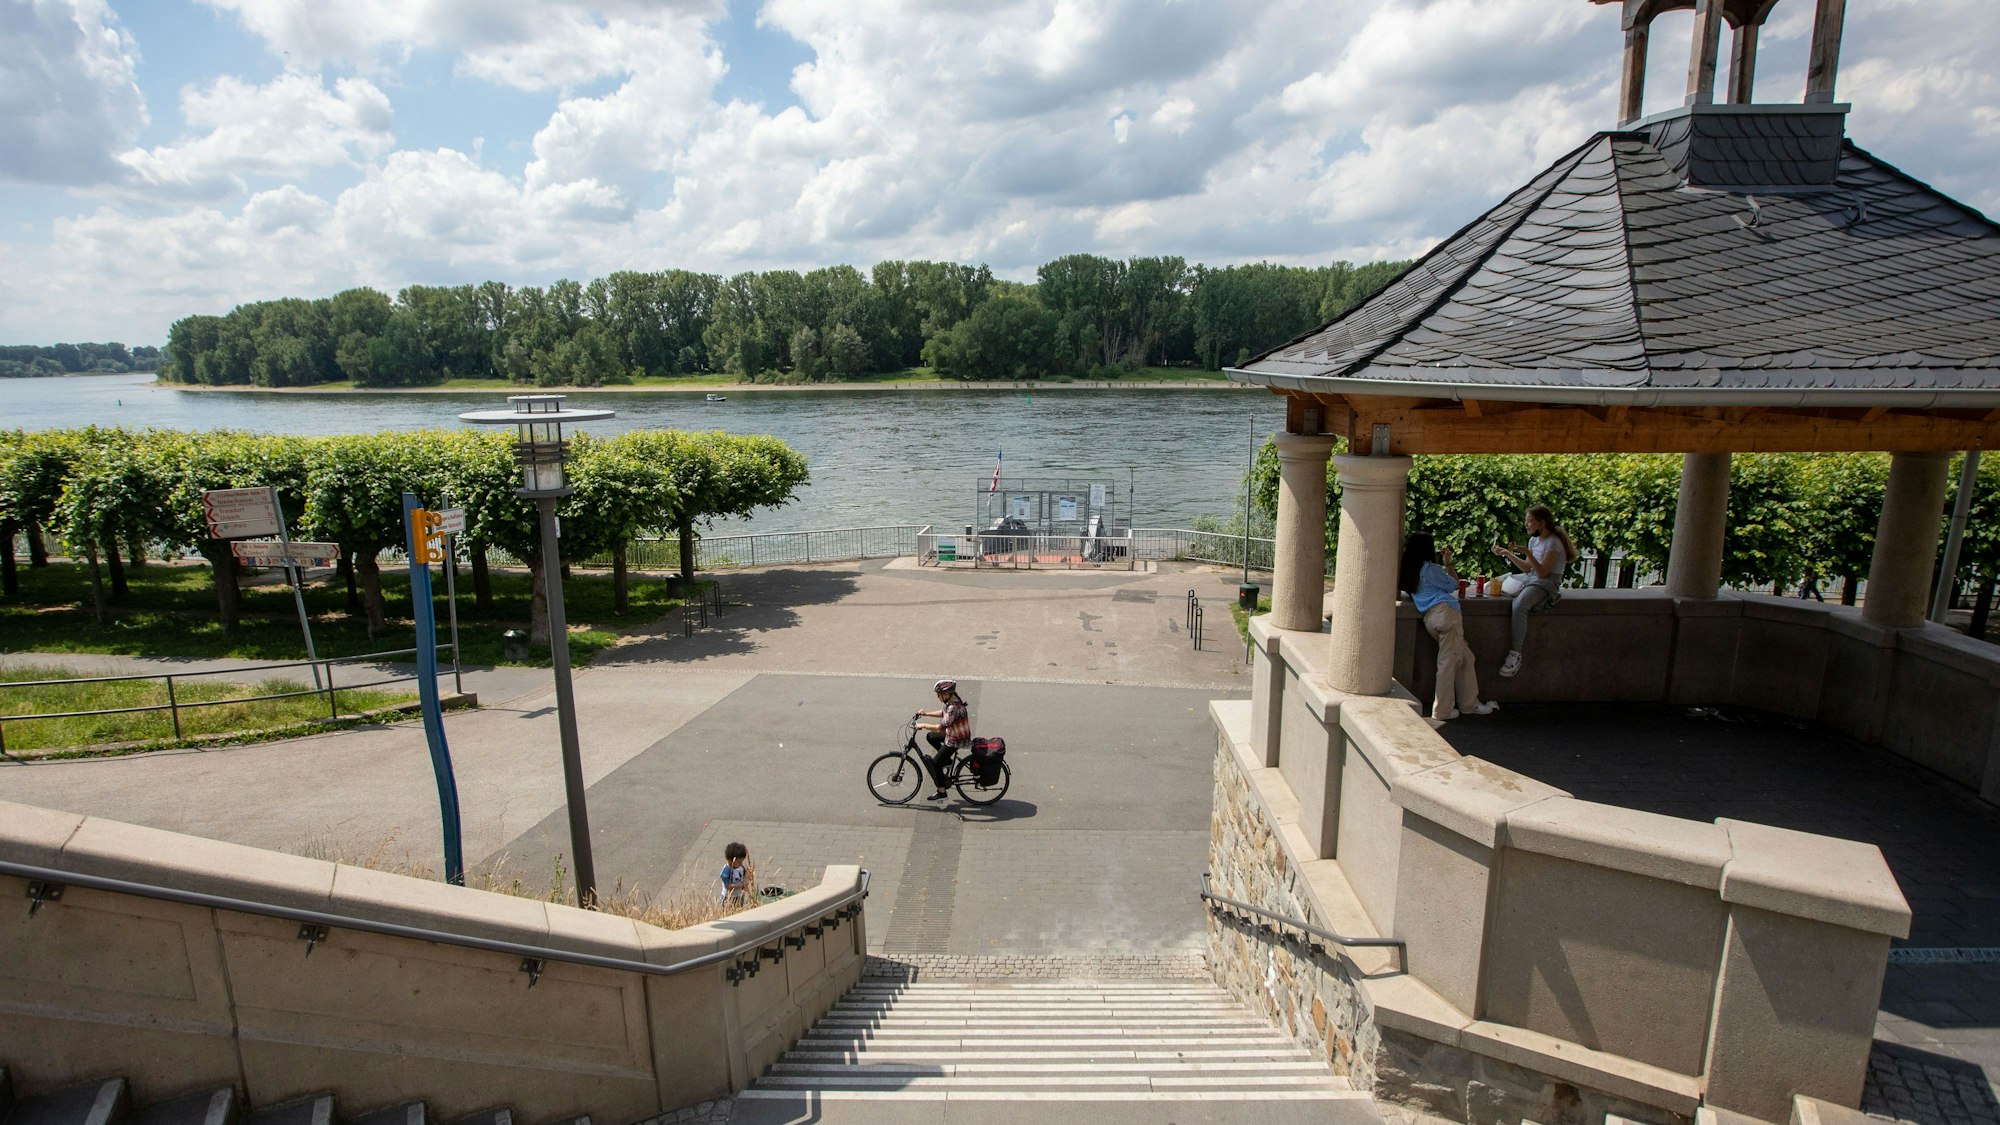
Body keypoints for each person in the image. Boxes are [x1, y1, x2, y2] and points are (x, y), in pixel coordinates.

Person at [1399, 534, 1498, 726]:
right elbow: (1454, 584)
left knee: (1466, 657)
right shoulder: (1431, 569)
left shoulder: (1409, 570)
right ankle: (1443, 710)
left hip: (1431, 618)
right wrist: (1448, 563)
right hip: (1447, 615)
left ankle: (1470, 703)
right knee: (1447, 663)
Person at [1490, 504, 1576, 678]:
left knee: (1519, 605)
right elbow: (1527, 568)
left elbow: (1543, 572)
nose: (1526, 525)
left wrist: (1527, 552)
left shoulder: (1554, 543)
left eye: (1529, 521)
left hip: (1547, 583)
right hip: (1533, 579)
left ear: (1541, 523)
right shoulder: (1534, 540)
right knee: (1499, 586)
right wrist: (1508, 553)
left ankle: (1515, 653)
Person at [915, 678, 971, 802]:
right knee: (930, 736)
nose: (938, 697)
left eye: (939, 695)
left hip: (956, 739)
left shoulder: (953, 708)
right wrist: (926, 713)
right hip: (955, 734)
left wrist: (922, 725)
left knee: (935, 764)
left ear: (946, 694)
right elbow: (943, 712)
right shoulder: (953, 702)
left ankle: (941, 791)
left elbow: (940, 728)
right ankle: (947, 760)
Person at [719, 841, 755, 906]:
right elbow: (728, 886)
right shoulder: (726, 872)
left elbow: (745, 873)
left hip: (739, 895)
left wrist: (747, 877)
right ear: (730, 860)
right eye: (739, 862)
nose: (741, 863)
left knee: (739, 908)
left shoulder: (740, 867)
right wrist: (740, 885)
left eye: (742, 861)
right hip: (729, 897)